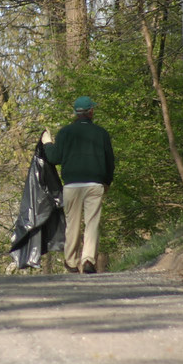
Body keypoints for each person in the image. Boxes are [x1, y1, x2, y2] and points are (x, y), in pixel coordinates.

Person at [42, 96, 114, 274]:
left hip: (72, 185)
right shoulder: (101, 133)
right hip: (95, 184)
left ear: (75, 113)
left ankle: (72, 261)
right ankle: (88, 259)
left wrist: (47, 143)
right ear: (91, 112)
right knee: (92, 223)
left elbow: (54, 158)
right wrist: (107, 182)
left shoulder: (65, 133)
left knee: (72, 224)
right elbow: (110, 161)